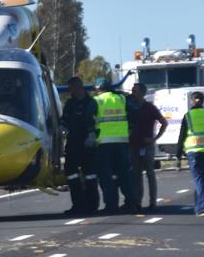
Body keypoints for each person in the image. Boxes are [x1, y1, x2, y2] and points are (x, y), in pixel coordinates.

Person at [92, 78, 135, 214]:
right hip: (122, 143)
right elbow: (136, 112)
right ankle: (130, 203)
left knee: (106, 176)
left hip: (104, 144)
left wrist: (91, 132)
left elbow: (87, 117)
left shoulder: (97, 100)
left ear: (98, 88)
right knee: (124, 174)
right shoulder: (122, 99)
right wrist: (131, 127)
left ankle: (111, 205)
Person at [60, 76, 100, 215]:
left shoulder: (91, 103)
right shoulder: (70, 103)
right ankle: (77, 204)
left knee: (90, 175)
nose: (70, 91)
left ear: (79, 88)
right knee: (71, 173)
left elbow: (95, 121)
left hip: (87, 143)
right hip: (73, 142)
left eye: (71, 88)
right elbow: (65, 119)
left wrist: (92, 135)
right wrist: (61, 126)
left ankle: (92, 205)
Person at [175, 91, 204, 216]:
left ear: (191, 101)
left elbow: (182, 135)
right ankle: (198, 206)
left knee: (198, 180)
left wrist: (178, 153)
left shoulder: (188, 116)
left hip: (194, 152)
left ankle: (203, 207)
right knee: (201, 180)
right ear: (203, 101)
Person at [128, 83, 168, 212]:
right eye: (132, 91)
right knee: (136, 174)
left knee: (150, 173)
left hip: (147, 145)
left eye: (135, 91)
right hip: (133, 145)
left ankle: (152, 202)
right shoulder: (130, 107)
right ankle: (137, 202)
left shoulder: (150, 108)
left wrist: (155, 139)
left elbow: (164, 122)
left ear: (142, 93)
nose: (132, 93)